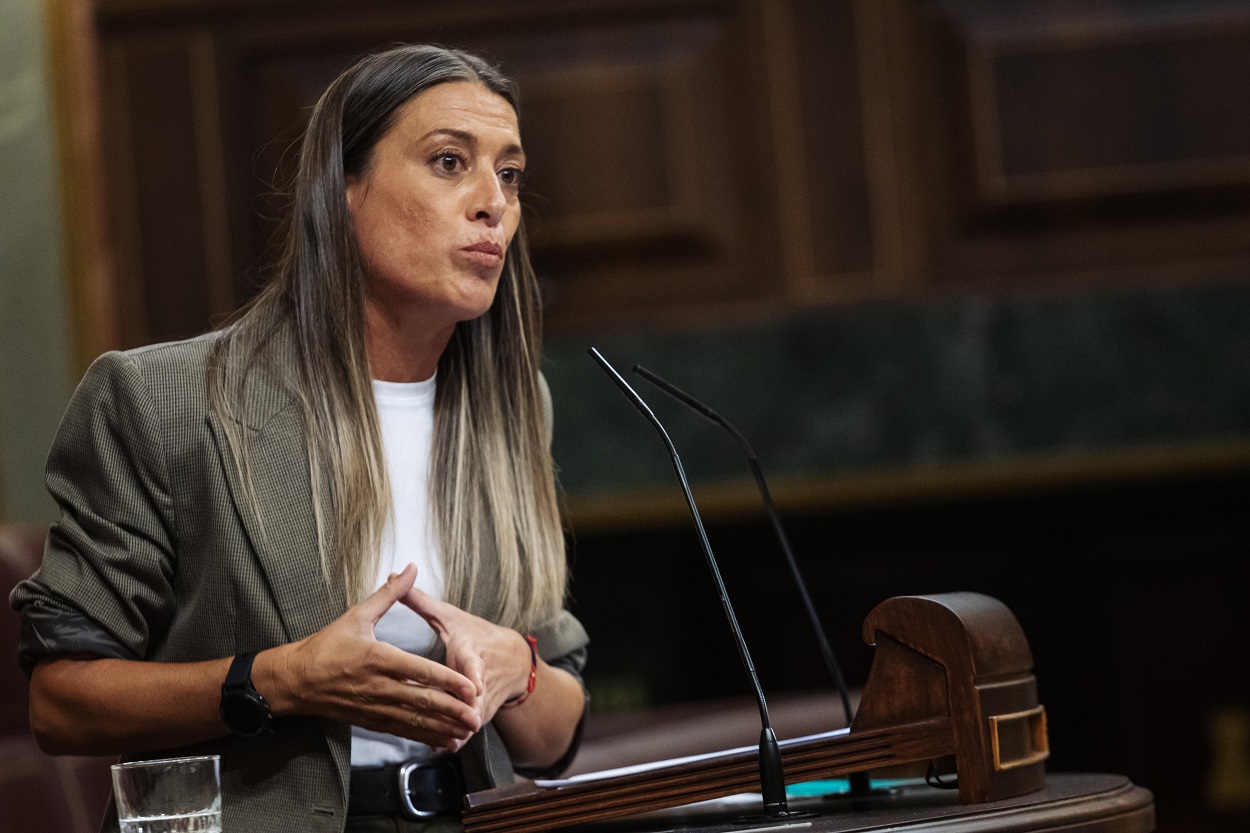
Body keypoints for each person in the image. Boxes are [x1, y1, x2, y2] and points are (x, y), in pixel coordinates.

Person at [9, 43, 589, 833]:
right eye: (450, 162)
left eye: (511, 173)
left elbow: (555, 739)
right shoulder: (160, 400)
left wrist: (516, 669)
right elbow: (60, 704)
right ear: (343, 190)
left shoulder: (514, 412)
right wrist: (281, 679)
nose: (494, 202)